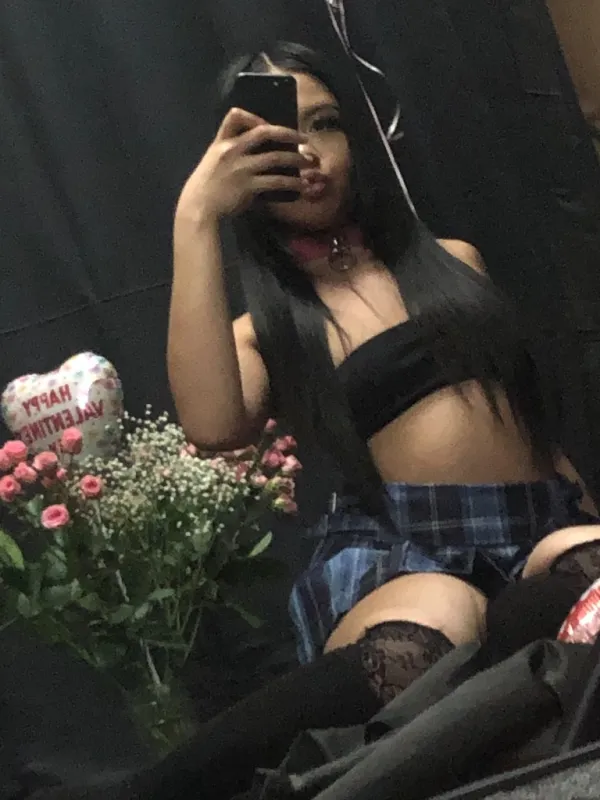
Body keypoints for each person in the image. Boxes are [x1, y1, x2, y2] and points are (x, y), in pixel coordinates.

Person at [131, 41, 600, 799]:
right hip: (400, 547)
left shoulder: (456, 261)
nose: (307, 152)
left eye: (325, 123)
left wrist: (587, 512)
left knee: (591, 580)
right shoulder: (267, 330)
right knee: (435, 628)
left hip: (535, 525)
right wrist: (197, 214)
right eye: (277, 137)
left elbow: (528, 423)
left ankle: (511, 662)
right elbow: (213, 427)